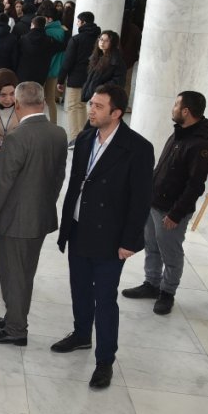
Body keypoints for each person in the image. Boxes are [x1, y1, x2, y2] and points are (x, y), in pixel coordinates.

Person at [54, 86, 154, 389]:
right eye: (91, 104)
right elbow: (75, 187)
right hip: (80, 228)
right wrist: (65, 228)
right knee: (79, 287)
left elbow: (140, 201)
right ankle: (82, 334)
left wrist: (129, 241)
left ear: (116, 113)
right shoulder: (85, 138)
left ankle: (104, 360)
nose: (91, 110)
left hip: (110, 237)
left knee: (105, 299)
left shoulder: (137, 148)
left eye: (98, 106)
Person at [0, 82, 68, 346]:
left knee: (13, 275)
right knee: (25, 272)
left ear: (17, 105)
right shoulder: (58, 133)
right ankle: (13, 316)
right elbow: (59, 176)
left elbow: (2, 182)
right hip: (40, 216)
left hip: (15, 220)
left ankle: (16, 329)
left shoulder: (18, 137)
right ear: (42, 102)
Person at [121, 91, 208, 315]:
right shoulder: (179, 133)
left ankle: (167, 292)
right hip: (154, 202)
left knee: (170, 252)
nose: (172, 108)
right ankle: (151, 283)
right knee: (152, 245)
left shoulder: (201, 146)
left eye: (176, 104)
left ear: (186, 111)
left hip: (171, 211)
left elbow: (195, 186)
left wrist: (176, 214)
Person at [58, 11, 101, 142]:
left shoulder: (76, 39)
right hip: (91, 78)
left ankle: (75, 137)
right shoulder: (98, 38)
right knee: (82, 106)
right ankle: (84, 136)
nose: (77, 23)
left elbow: (67, 61)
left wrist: (61, 80)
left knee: (72, 106)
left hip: (76, 78)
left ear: (83, 22)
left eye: (78, 21)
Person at [16, 17, 64, 124]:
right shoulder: (49, 41)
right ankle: (40, 123)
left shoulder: (23, 39)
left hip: (24, 74)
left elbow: (17, 56)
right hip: (41, 76)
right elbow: (63, 46)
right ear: (44, 26)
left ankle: (19, 122)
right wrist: (67, 32)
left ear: (32, 25)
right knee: (37, 100)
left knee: (21, 98)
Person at [80, 30, 127, 112]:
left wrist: (100, 89)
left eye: (106, 41)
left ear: (113, 43)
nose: (102, 42)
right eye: (101, 39)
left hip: (104, 98)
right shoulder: (97, 57)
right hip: (94, 96)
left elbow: (118, 82)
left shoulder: (116, 61)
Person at [41, 3, 68, 122]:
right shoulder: (63, 31)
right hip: (56, 69)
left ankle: (38, 125)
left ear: (49, 19)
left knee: (37, 99)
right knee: (51, 100)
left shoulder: (47, 32)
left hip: (44, 68)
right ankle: (54, 124)